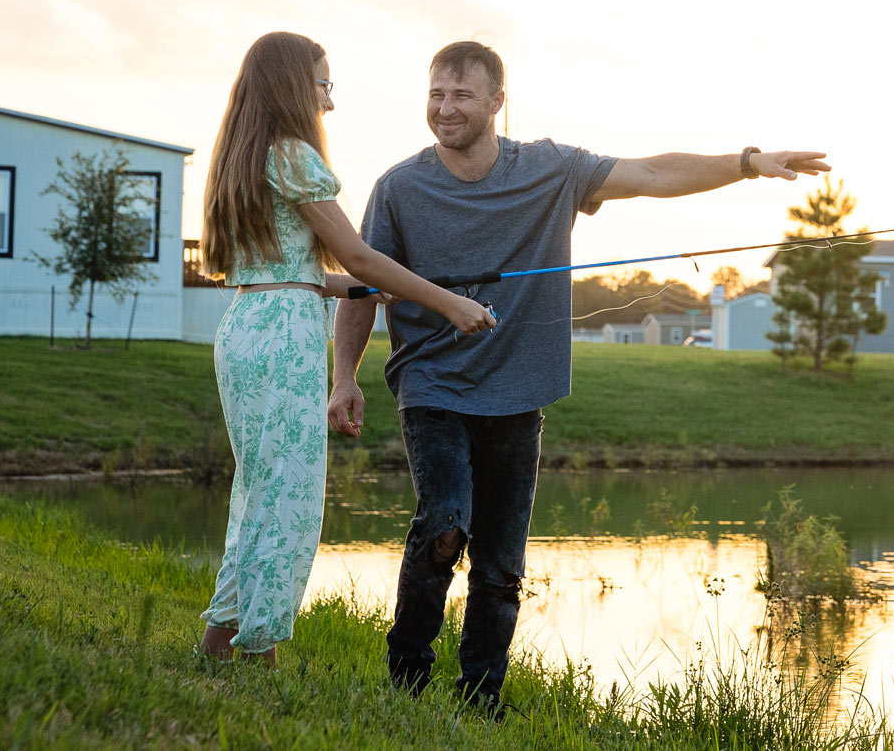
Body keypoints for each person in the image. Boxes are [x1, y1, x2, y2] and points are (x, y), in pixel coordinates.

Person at [325, 40, 826, 710]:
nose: (445, 109)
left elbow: (651, 172)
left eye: (462, 95)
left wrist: (746, 164)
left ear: (498, 101)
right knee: (444, 526)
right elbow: (365, 283)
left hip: (519, 390)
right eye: (436, 95)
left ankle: (480, 698)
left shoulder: (552, 169)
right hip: (433, 385)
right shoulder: (400, 187)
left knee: (500, 567)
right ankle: (408, 676)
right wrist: (344, 377)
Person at [196, 32, 496, 666]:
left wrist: (377, 287)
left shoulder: (241, 158)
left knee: (256, 493)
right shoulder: (294, 155)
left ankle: (218, 644)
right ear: (293, 87)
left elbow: (295, 271)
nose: (327, 103)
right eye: (322, 86)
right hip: (285, 339)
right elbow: (356, 253)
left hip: (248, 324)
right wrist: (448, 302)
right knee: (290, 501)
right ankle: (258, 657)